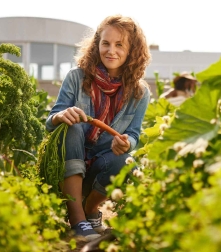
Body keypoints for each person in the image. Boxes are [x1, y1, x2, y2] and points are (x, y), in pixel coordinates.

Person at [45, 14, 151, 241]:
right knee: (72, 126)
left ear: (132, 50)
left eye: (119, 45)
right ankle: (77, 220)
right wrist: (61, 116)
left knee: (126, 161)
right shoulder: (76, 77)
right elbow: (50, 121)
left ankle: (91, 210)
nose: (111, 50)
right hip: (68, 161)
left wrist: (126, 142)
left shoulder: (139, 92)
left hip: (100, 166)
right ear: (97, 44)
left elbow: (134, 134)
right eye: (106, 43)